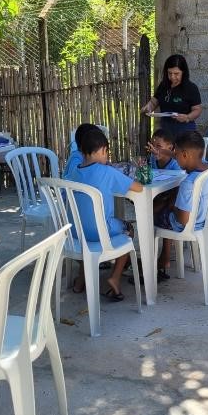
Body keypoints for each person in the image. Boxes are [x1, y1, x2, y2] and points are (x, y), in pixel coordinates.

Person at [66, 128, 143, 300]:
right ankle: (115, 277)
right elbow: (138, 188)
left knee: (88, 231)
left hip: (75, 234)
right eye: (107, 151)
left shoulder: (73, 172)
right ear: (102, 150)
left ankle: (81, 278)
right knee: (128, 229)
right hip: (99, 233)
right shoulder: (107, 172)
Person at [154, 131, 208, 278]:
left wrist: (171, 205)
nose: (175, 157)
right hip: (205, 220)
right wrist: (165, 152)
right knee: (169, 198)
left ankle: (161, 259)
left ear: (184, 155)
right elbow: (183, 156)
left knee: (152, 214)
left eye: (176, 153)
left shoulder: (188, 183)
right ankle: (164, 256)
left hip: (188, 225)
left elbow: (183, 219)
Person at [141, 54, 202, 137]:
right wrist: (148, 108)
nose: (172, 77)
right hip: (165, 129)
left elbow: (197, 110)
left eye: (176, 74)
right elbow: (154, 102)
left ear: (183, 72)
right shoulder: (163, 85)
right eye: (170, 73)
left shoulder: (191, 88)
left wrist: (187, 117)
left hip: (185, 130)